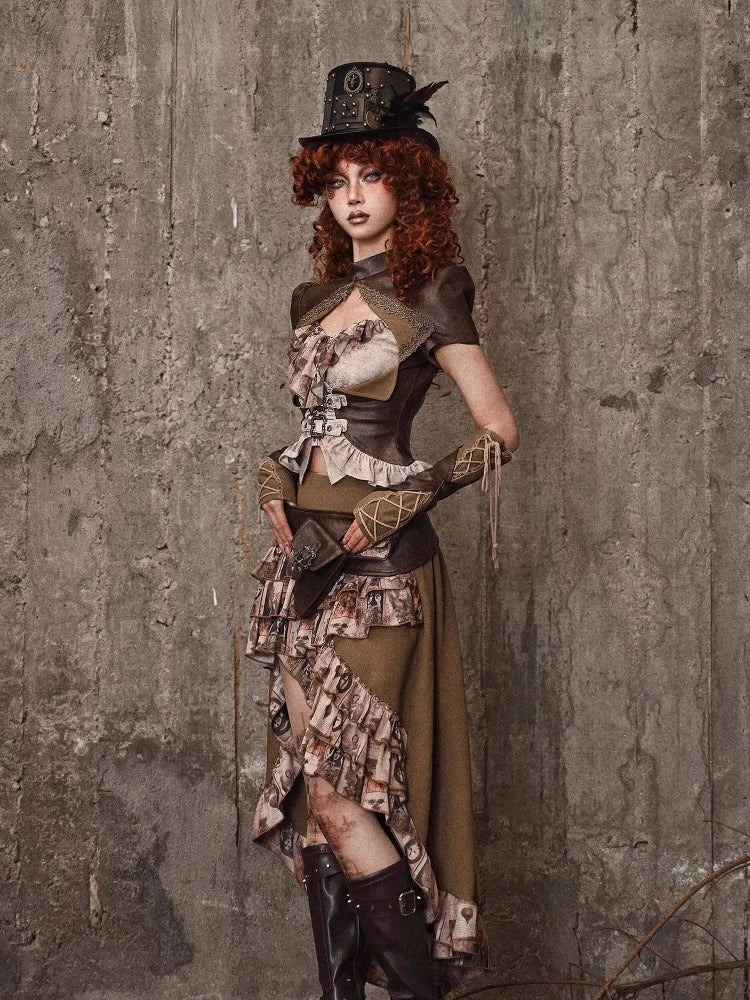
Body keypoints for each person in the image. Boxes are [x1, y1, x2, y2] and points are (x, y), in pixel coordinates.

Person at [245, 61, 520, 1000]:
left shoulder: (433, 290)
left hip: (381, 568)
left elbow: (498, 432)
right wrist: (274, 473)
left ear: (409, 183)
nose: (353, 197)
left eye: (371, 176)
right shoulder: (311, 300)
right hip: (299, 563)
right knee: (318, 804)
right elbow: (313, 429)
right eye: (337, 181)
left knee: (346, 791)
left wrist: (396, 503)